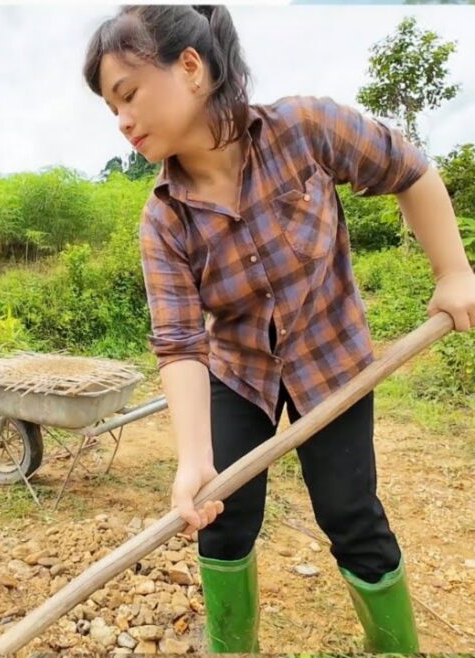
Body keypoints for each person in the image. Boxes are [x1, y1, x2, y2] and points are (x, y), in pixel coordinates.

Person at [84, 5, 475, 653]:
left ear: (190, 67)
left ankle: (395, 649)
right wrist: (192, 459)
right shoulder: (163, 221)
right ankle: (233, 645)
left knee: (351, 514)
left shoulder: (305, 129)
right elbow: (180, 343)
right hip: (239, 375)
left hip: (334, 362)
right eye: (110, 108)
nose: (122, 119)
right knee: (221, 516)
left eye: (127, 94)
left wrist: (454, 272)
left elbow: (409, 170)